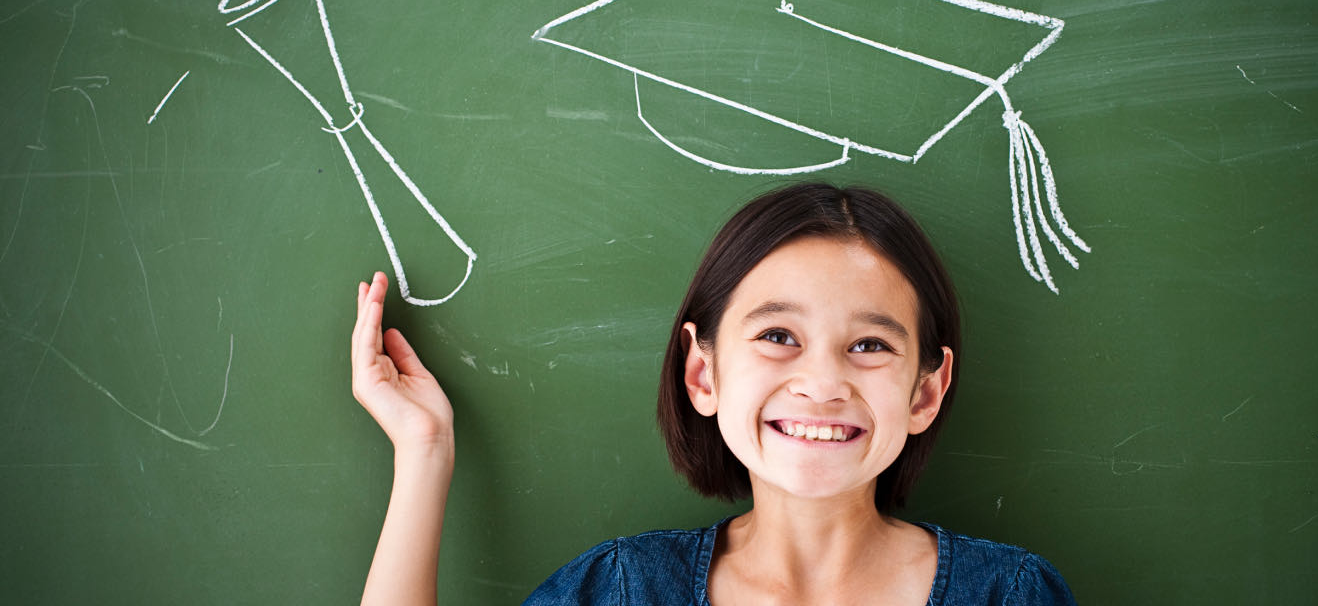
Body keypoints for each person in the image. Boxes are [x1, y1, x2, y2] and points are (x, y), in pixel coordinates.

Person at [351, 182, 1076, 605]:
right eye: (778, 337)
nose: (823, 383)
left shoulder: (1008, 594)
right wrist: (425, 451)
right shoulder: (626, 589)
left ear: (926, 392)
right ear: (703, 374)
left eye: (869, 345)